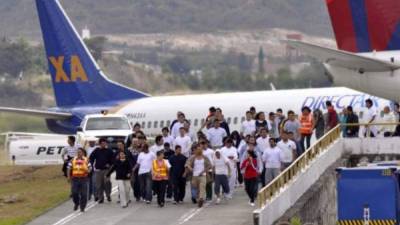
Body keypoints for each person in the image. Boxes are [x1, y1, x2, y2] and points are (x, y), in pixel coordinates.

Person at [89, 138, 113, 203]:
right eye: (102, 143)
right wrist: (91, 165)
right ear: (100, 144)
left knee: (107, 183)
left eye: (104, 143)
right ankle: (100, 198)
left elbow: (113, 160)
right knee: (99, 185)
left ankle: (108, 195)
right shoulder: (96, 150)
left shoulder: (109, 151)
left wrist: (109, 164)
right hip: (98, 170)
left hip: (106, 170)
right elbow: (91, 158)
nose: (103, 144)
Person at [67, 148, 92, 212]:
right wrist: (68, 177)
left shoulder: (87, 160)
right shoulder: (73, 160)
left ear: (83, 153)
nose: (79, 153)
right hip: (75, 179)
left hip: (83, 179)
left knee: (84, 194)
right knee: (74, 193)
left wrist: (88, 171)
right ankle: (76, 203)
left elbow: (90, 168)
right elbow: (69, 168)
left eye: (80, 152)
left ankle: (82, 207)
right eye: (78, 152)